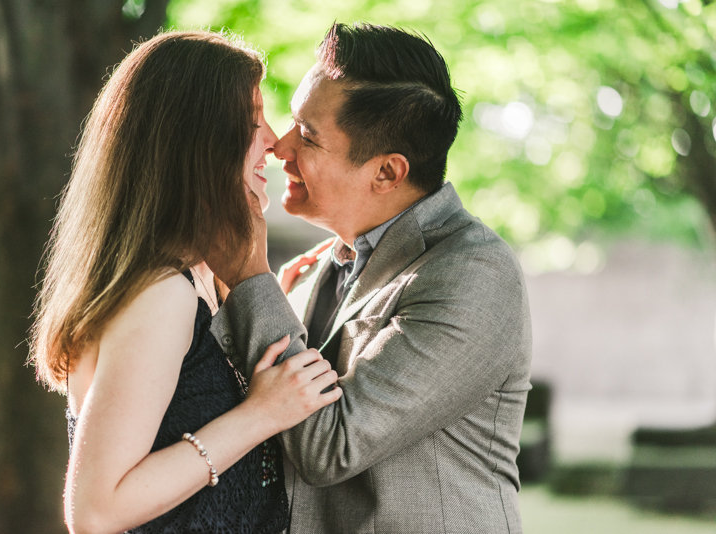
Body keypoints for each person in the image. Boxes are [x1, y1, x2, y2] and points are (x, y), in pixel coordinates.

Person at [210, 23, 533, 533]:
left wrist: (252, 277)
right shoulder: (313, 267)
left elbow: (330, 447)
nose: (280, 147)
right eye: (293, 123)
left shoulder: (472, 275)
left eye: (309, 137)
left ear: (386, 173)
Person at [29, 31, 342, 534]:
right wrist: (259, 415)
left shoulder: (187, 281)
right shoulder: (161, 293)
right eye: (251, 120)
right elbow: (95, 511)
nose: (272, 139)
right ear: (196, 141)